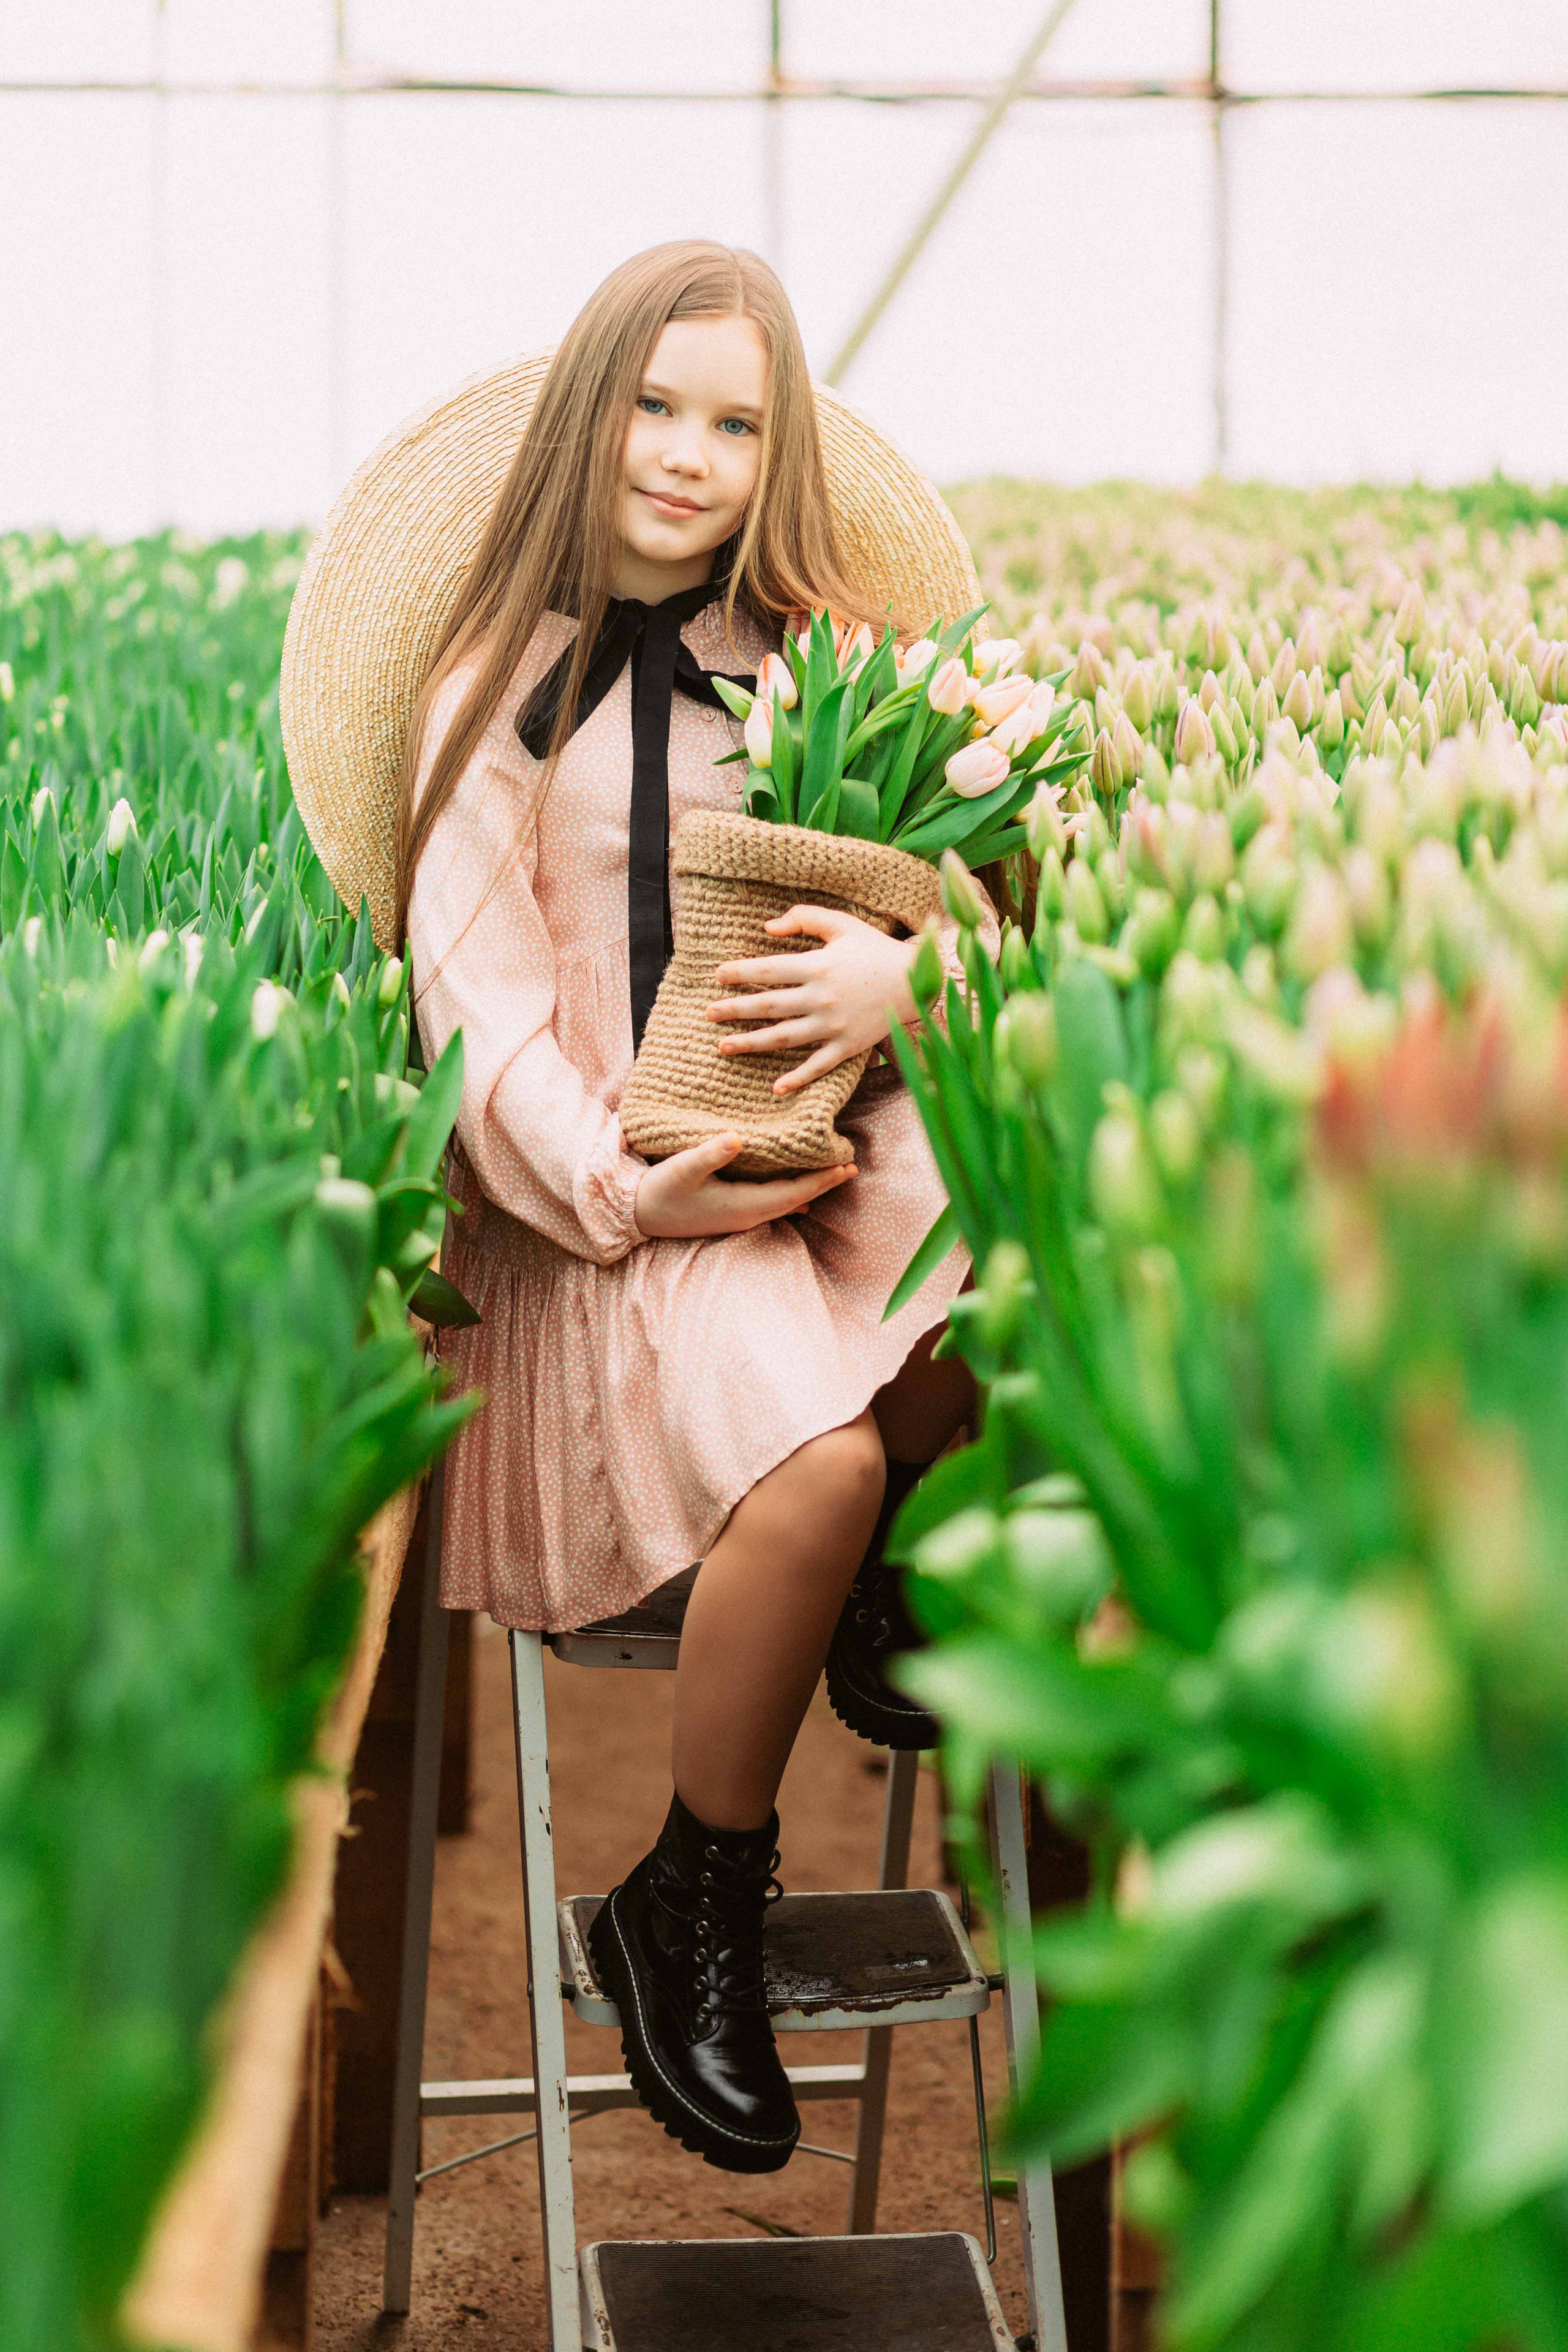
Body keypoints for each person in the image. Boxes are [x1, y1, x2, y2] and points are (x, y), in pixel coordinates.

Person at [394, 241, 989, 2177]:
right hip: (613, 1217)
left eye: (734, 423)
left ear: (774, 457)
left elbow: (976, 894)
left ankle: (873, 1560)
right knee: (821, 1469)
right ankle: (696, 1889)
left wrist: (910, 977)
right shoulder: (488, 696)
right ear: (590, 413)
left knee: (1007, 1245)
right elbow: (479, 1017)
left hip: (806, 1154)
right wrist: (625, 1185)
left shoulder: (825, 670)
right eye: (654, 404)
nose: (683, 453)